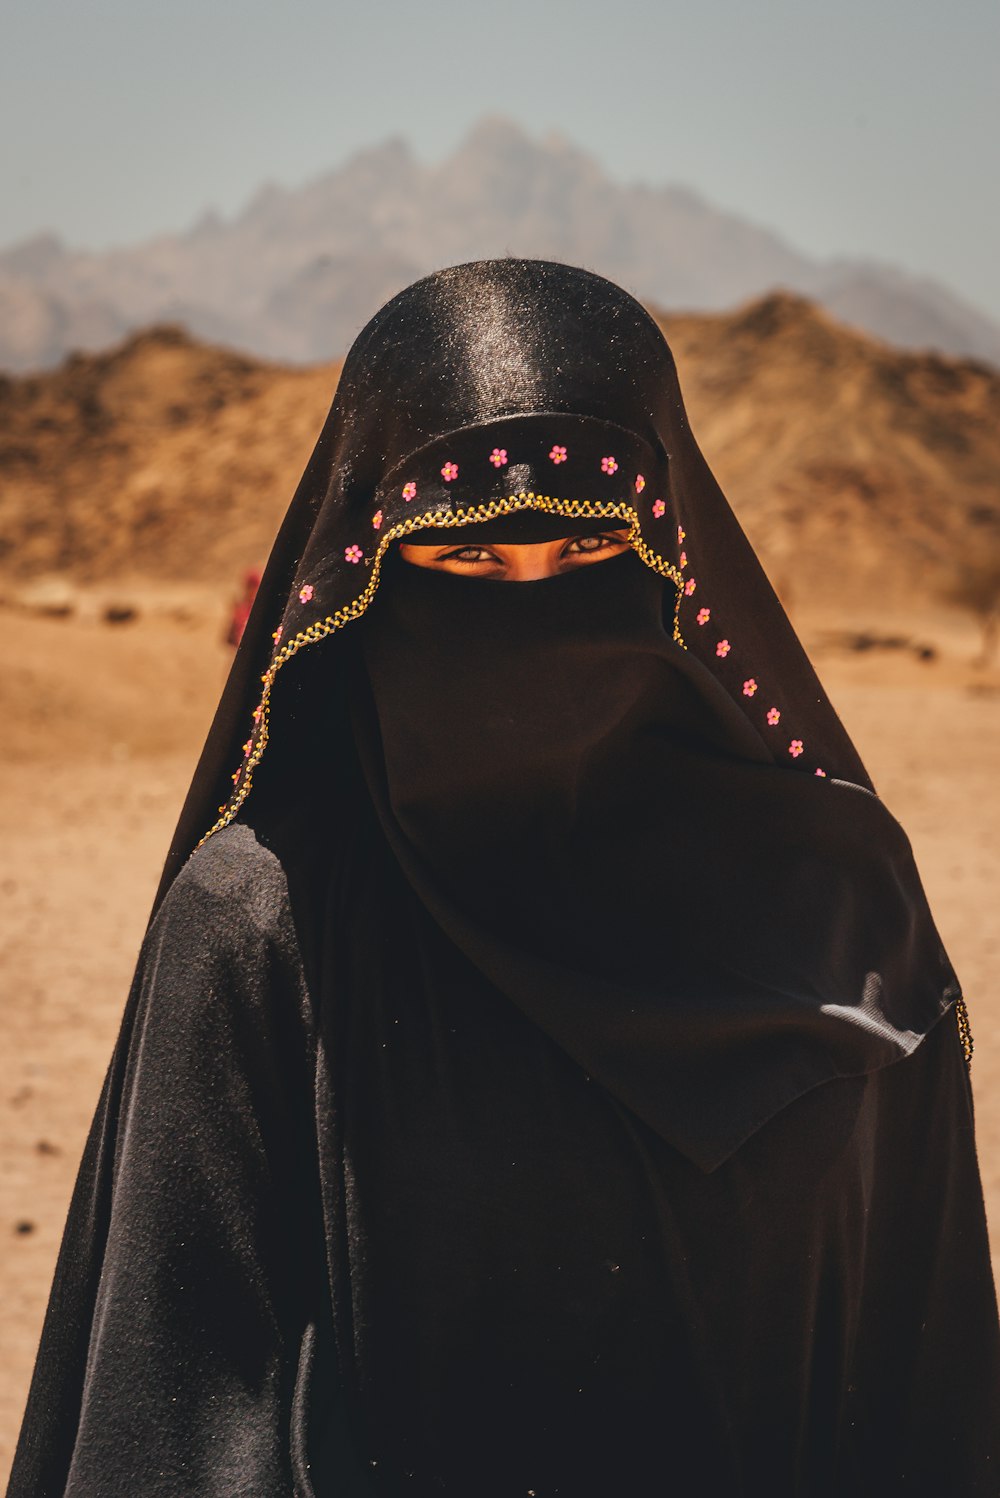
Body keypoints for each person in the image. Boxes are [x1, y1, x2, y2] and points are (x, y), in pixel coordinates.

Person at [9, 260, 999, 1497]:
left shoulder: (847, 906)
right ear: (365, 580)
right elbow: (184, 1420)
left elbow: (930, 1377)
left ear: (668, 554)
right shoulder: (265, 927)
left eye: (586, 549)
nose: (534, 614)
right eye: (469, 567)